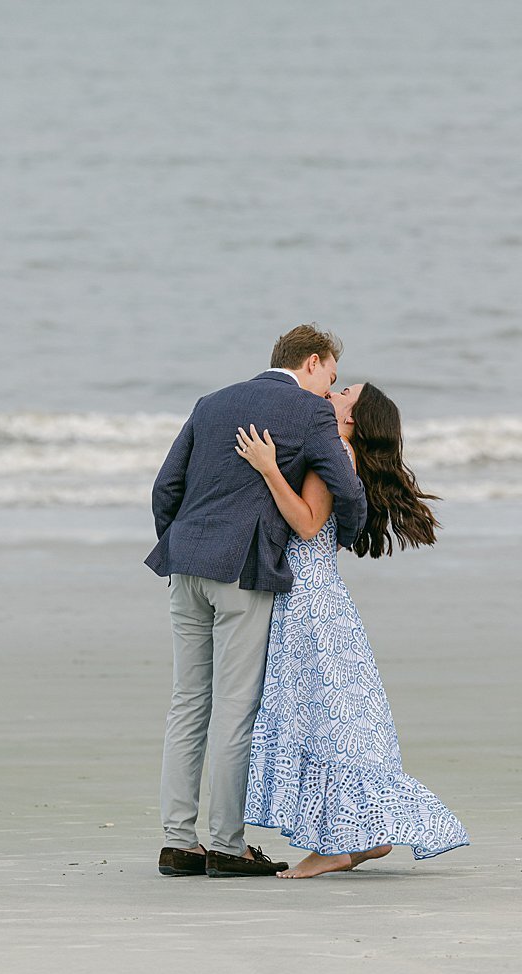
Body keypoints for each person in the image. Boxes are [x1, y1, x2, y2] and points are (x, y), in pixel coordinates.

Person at [146, 324, 367, 878]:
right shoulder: (309, 411)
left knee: (187, 701)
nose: (329, 392)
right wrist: (352, 532)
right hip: (241, 569)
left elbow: (165, 487)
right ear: (312, 362)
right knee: (234, 707)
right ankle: (225, 844)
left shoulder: (212, 401)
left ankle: (178, 841)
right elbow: (346, 487)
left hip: (186, 561)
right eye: (331, 379)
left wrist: (182, 543)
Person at [235, 381, 467, 877]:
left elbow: (307, 524)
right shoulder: (344, 453)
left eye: (344, 392)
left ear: (352, 418)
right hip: (327, 599)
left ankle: (340, 844)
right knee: (347, 717)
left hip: (307, 601)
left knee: (325, 720)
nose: (333, 392)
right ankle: (362, 835)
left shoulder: (333, 450)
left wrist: (268, 467)